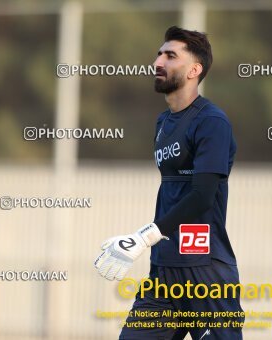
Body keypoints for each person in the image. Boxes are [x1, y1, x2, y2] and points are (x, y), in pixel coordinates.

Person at [94, 26, 244, 339]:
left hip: (206, 272)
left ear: (194, 70)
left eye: (170, 55)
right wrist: (155, 245)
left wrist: (145, 235)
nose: (158, 61)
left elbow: (202, 196)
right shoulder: (163, 123)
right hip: (164, 271)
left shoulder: (211, 121)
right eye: (159, 53)